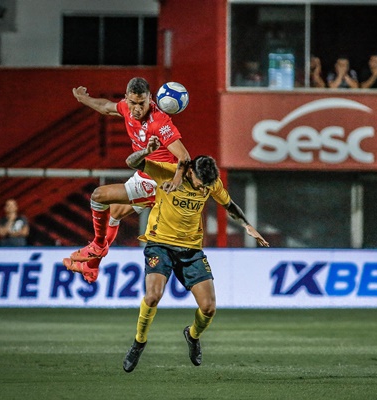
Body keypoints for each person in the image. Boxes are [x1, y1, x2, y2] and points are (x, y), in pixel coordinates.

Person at [107, 138, 269, 372]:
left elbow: (230, 205)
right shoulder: (167, 173)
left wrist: (246, 225)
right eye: (200, 183)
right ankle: (139, 342)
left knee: (209, 307)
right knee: (153, 296)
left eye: (207, 186)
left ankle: (192, 336)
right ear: (190, 170)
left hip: (191, 250)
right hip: (159, 244)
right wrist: (146, 151)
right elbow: (132, 162)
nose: (204, 189)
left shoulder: (210, 183)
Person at [64, 77, 191, 283]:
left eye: (142, 103)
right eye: (133, 103)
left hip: (157, 180)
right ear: (126, 98)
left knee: (99, 195)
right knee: (115, 212)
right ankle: (92, 267)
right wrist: (83, 99)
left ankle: (97, 245)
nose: (137, 108)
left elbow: (185, 157)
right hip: (144, 175)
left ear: (150, 98)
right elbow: (106, 107)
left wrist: (175, 183)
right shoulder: (126, 108)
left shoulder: (159, 122)